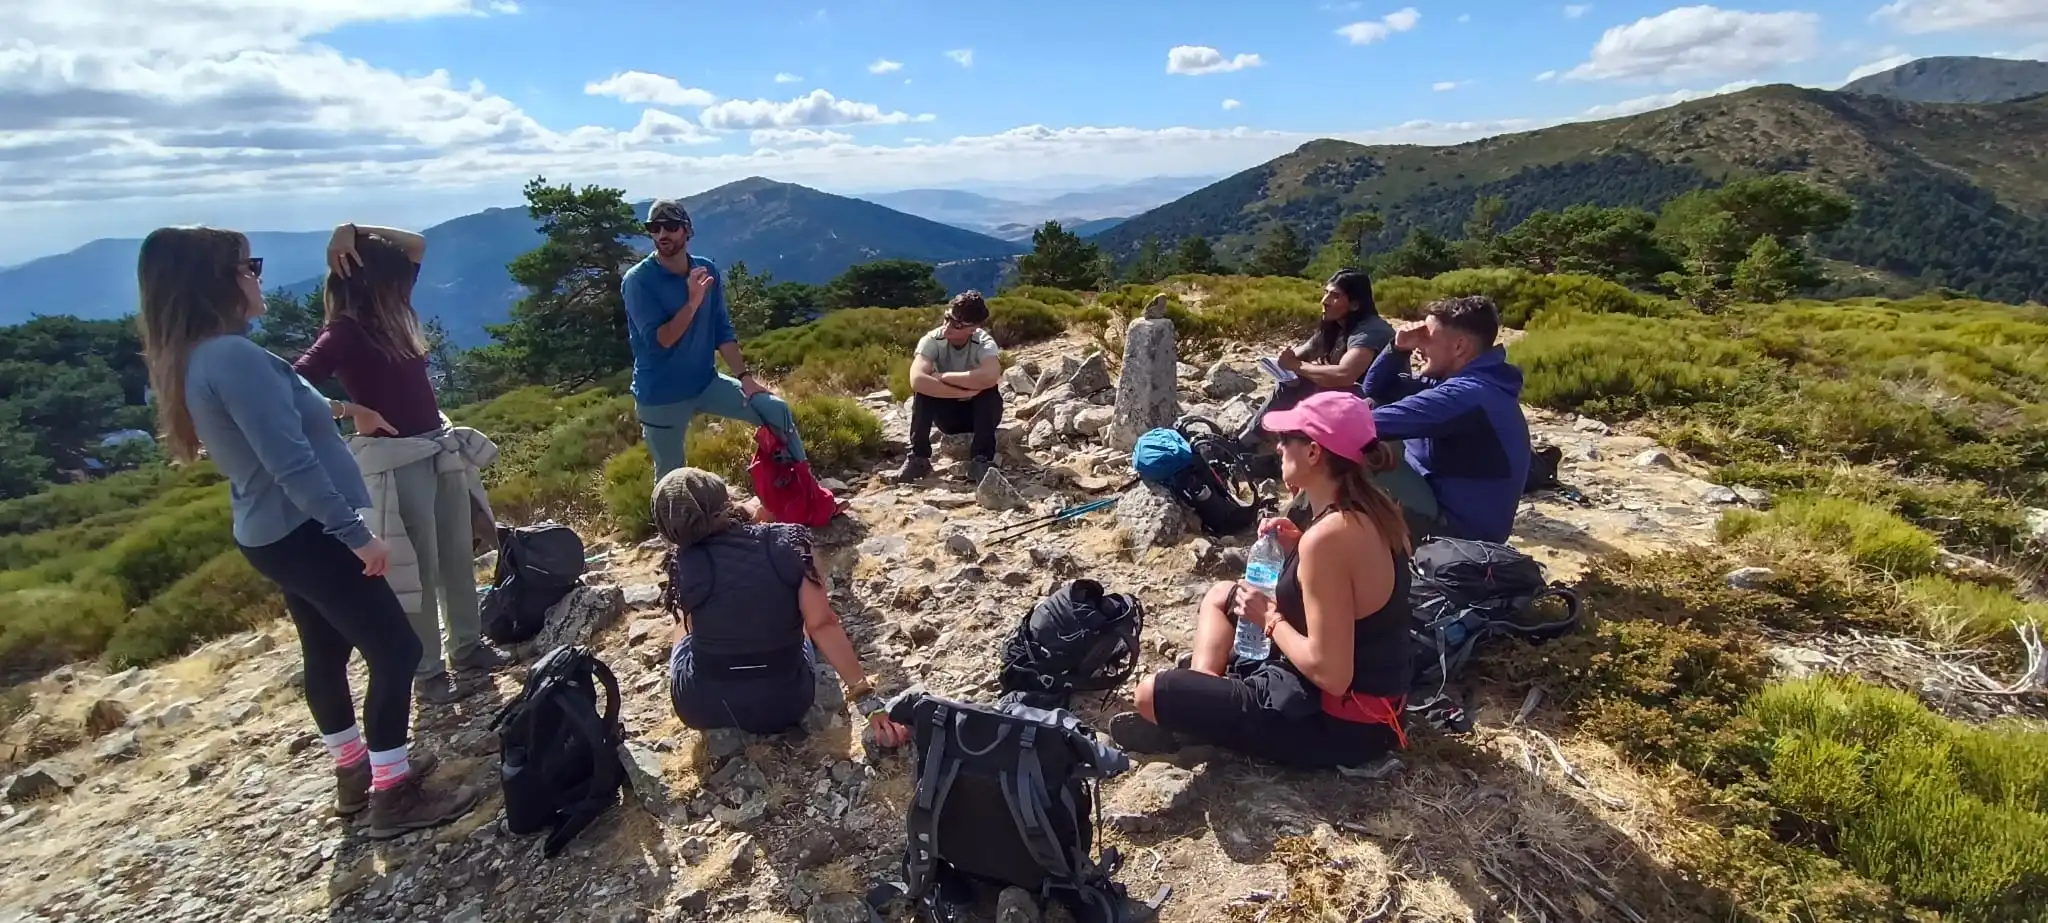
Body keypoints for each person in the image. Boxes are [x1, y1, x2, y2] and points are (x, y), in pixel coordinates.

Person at [136, 226, 479, 838]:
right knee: (396, 650)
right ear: (217, 282)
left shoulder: (201, 357)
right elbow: (290, 462)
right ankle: (394, 792)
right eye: (249, 266)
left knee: (326, 650)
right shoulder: (234, 358)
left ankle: (354, 770)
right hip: (309, 531)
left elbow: (285, 417)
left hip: (270, 533)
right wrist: (355, 534)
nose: (257, 277)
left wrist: (347, 410)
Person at [1109, 391, 1414, 768]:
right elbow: (1355, 589)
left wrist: (1269, 618)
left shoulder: (1329, 538)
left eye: (1287, 439)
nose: (1279, 446)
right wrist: (1296, 549)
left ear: (1314, 452)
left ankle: (1200, 713)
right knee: (1223, 595)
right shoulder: (1377, 511)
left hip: (1340, 726)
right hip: (1375, 710)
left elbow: (1332, 674)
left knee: (1150, 693)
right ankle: (1206, 700)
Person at [293, 224, 509, 705]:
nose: (404, 283)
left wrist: (350, 230)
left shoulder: (389, 310)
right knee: (418, 569)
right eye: (394, 277)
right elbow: (289, 386)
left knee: (457, 553)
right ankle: (427, 671)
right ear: (373, 281)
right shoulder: (344, 332)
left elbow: (416, 243)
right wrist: (349, 410)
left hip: (436, 447)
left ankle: (467, 645)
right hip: (398, 460)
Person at [653, 467, 911, 747]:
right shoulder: (789, 541)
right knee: (801, 617)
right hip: (786, 701)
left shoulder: (681, 563)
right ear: (725, 500)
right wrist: (867, 700)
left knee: (683, 620)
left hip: (702, 706)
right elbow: (822, 624)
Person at [623, 199, 804, 479]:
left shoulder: (706, 270)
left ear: (687, 230)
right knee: (672, 476)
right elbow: (661, 340)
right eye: (654, 228)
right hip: (660, 394)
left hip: (706, 382)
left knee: (775, 411)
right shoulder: (638, 281)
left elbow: (722, 328)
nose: (662, 234)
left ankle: (803, 490)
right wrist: (693, 301)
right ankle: (675, 511)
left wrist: (745, 378)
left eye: (670, 226)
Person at [1363, 294, 1530, 544]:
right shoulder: (1467, 381)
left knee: (1344, 458)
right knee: (1367, 419)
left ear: (1459, 346)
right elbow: (1376, 389)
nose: (1419, 346)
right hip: (1441, 500)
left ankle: (1319, 545)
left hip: (1457, 531)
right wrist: (1398, 348)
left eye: (1427, 337)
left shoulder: (1468, 395)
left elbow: (1364, 425)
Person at [1238, 268, 1392, 447]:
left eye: (1335, 296)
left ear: (1355, 305)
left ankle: (1248, 445)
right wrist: (1286, 358)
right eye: (1326, 293)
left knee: (1304, 383)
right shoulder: (1335, 326)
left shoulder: (1370, 331)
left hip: (1376, 403)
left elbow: (1344, 375)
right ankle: (1258, 443)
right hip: (1352, 396)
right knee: (1294, 383)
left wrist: (1297, 366)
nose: (1324, 301)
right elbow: (1305, 351)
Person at [894, 291, 1003, 483]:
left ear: (973, 328)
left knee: (988, 390)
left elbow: (990, 375)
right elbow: (917, 380)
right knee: (923, 393)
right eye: (947, 319)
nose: (947, 327)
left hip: (982, 415)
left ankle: (982, 459)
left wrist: (943, 377)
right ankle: (918, 457)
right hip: (948, 417)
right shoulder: (932, 340)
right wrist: (964, 391)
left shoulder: (983, 342)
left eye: (957, 325)